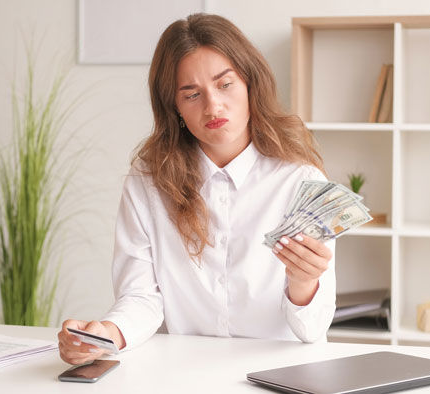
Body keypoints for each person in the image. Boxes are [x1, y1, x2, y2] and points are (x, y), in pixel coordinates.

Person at [58, 13, 336, 365]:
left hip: (281, 373)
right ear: (174, 107)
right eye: (192, 94)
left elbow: (313, 330)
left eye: (225, 85)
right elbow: (141, 296)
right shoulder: (148, 180)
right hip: (184, 372)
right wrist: (106, 335)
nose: (213, 106)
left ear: (251, 83)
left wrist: (303, 283)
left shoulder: (302, 181)